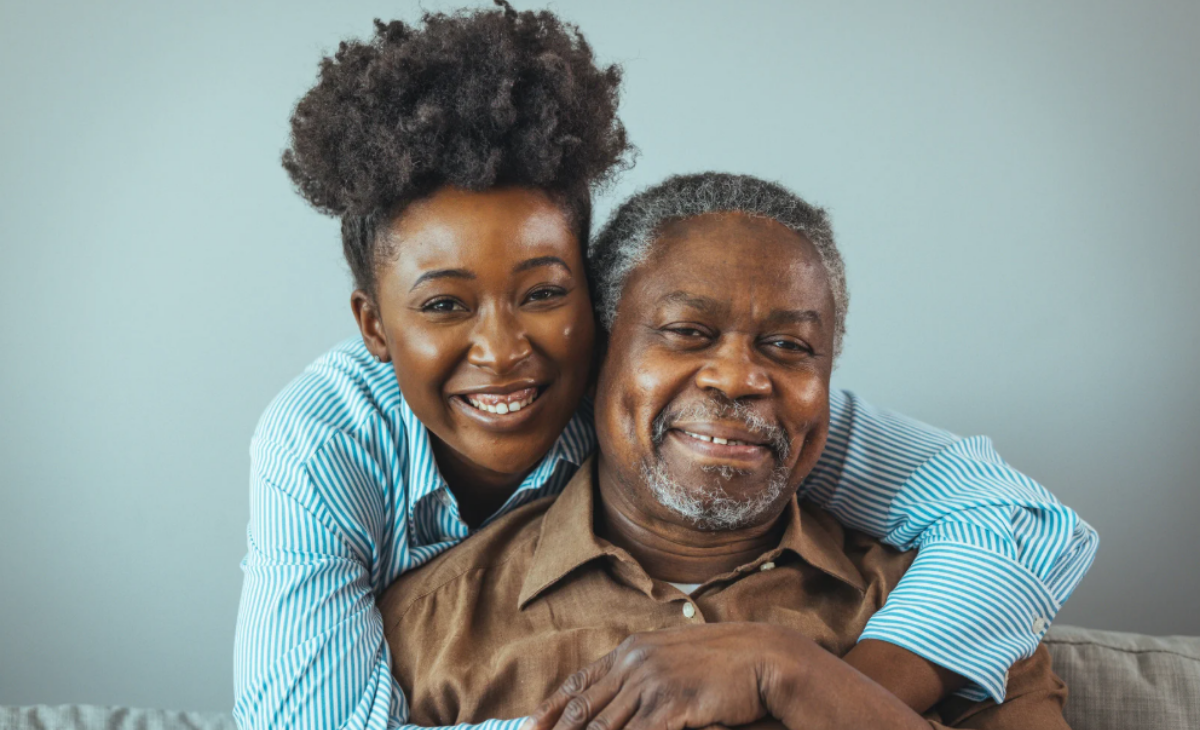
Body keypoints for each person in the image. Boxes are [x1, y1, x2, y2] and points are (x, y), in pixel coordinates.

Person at [232, 5, 1098, 730]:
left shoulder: (921, 586)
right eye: (444, 305)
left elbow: (1015, 518)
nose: (503, 351)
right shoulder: (350, 486)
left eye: (541, 295)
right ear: (374, 327)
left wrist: (798, 677)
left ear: (592, 323)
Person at [379, 173, 1072, 730]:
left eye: (789, 346)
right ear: (599, 355)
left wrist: (794, 675)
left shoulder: (953, 613)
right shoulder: (427, 630)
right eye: (687, 331)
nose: (739, 378)